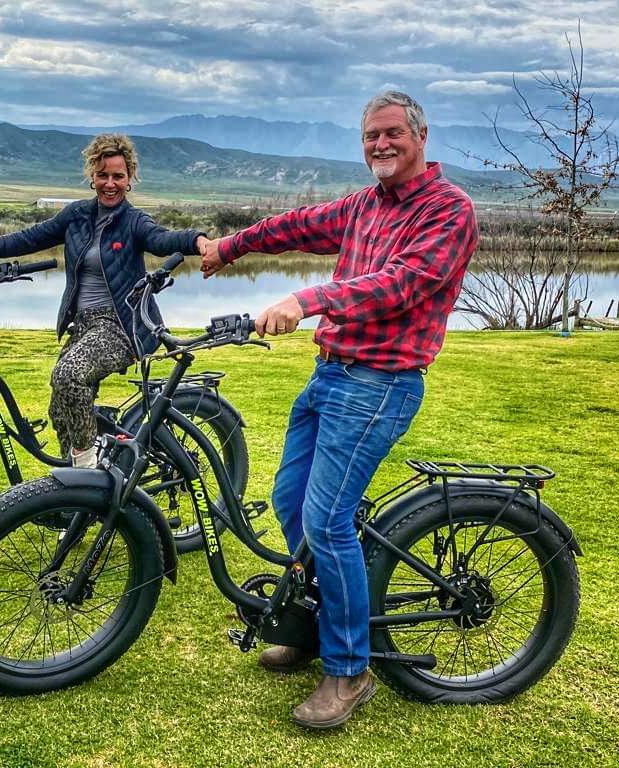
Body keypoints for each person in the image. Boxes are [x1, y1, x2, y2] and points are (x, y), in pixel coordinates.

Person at [199, 91, 478, 729]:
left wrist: (309, 299)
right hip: (331, 375)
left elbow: (401, 283)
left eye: (390, 134)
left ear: (420, 135)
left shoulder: (448, 210)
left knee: (326, 522)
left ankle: (349, 673)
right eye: (370, 137)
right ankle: (310, 622)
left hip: (381, 382)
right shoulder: (363, 206)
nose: (379, 145)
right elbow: (295, 226)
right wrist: (231, 247)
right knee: (290, 502)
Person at [0, 133, 208, 467]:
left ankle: (87, 474)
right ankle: (73, 495)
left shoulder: (134, 222)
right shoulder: (76, 217)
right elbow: (28, 238)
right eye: (103, 175)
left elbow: (163, 239)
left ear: (130, 180)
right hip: (82, 326)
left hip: (121, 325)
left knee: (68, 375)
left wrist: (197, 239)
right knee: (60, 408)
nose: (110, 183)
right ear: (92, 177)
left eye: (118, 176)